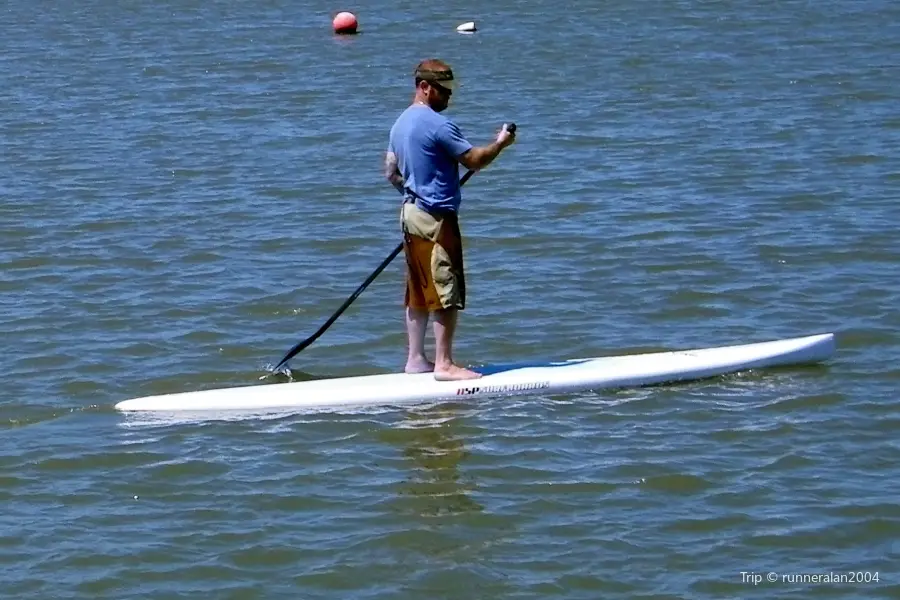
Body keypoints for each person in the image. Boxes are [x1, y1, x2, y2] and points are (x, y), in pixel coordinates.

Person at [384, 59, 516, 381]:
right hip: (436, 218)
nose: (448, 97)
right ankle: (444, 364)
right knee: (446, 288)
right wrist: (501, 143)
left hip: (410, 214)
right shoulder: (438, 125)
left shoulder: (399, 124)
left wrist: (415, 189)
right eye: (443, 91)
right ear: (424, 88)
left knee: (417, 287)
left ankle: (416, 359)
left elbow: (390, 172)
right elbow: (474, 160)